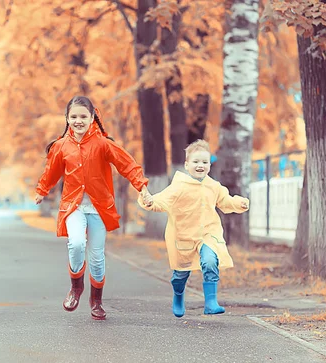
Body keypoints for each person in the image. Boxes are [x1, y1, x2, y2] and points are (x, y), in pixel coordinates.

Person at [35, 95, 153, 320]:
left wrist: (142, 187)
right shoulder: (61, 146)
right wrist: (42, 190)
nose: (78, 121)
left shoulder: (103, 144)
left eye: (83, 116)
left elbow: (127, 165)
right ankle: (76, 287)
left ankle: (96, 301)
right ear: (67, 118)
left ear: (92, 118)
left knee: (97, 257)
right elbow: (51, 172)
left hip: (99, 207)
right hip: (73, 206)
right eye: (73, 117)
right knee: (77, 243)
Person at [137, 139, 249, 317]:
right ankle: (178, 295)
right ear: (187, 165)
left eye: (204, 162)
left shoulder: (214, 186)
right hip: (184, 236)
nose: (200, 165)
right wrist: (150, 201)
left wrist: (239, 203)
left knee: (211, 261)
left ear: (209, 165)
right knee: (180, 274)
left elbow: (226, 201)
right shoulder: (179, 187)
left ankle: (211, 303)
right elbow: (161, 201)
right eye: (196, 162)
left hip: (208, 233)